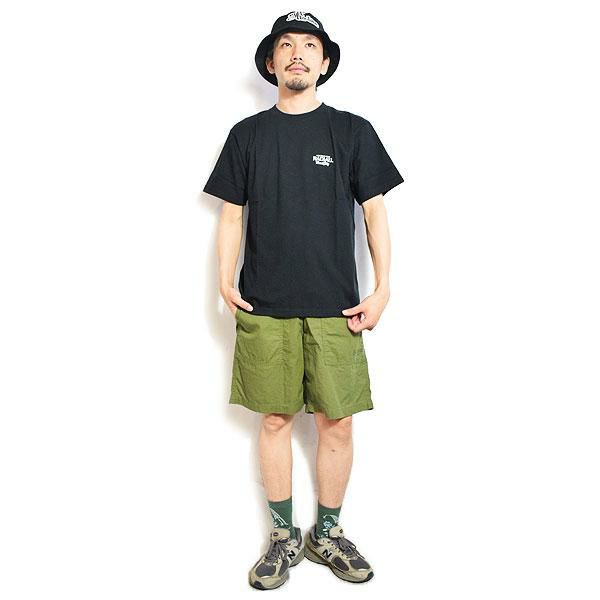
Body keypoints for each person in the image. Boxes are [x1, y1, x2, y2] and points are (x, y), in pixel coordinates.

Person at [203, 11, 404, 590]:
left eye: (309, 46)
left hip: (338, 307)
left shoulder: (352, 131)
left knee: (336, 424)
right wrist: (223, 279)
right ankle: (282, 536)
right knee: (274, 420)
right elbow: (232, 213)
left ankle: (328, 535)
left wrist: (383, 288)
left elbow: (375, 212)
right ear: (270, 63)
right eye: (286, 45)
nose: (297, 53)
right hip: (264, 306)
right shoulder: (247, 135)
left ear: (325, 62)